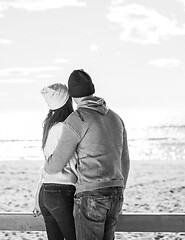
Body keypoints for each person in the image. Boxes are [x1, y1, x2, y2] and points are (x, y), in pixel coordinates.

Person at [44, 69, 130, 240]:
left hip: (91, 195)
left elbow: (56, 165)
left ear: (72, 96)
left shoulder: (77, 119)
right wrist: (119, 187)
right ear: (92, 89)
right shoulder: (115, 118)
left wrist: (46, 164)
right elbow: (124, 160)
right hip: (116, 194)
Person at [33, 83, 77, 240]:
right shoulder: (64, 128)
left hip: (47, 192)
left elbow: (47, 166)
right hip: (62, 192)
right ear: (67, 101)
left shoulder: (50, 126)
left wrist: (37, 198)